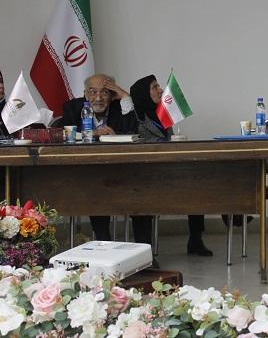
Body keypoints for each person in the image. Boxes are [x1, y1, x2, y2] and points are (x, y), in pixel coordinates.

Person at [60, 73, 150, 243]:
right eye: (93, 92)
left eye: (104, 92)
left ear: (112, 95)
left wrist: (124, 96)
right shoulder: (73, 108)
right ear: (85, 94)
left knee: (140, 194)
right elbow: (63, 134)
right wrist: (91, 133)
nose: (98, 98)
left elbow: (133, 131)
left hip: (123, 172)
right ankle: (104, 243)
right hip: (87, 174)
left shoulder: (118, 108)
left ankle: (145, 248)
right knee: (96, 192)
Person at [129, 74, 213, 256]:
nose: (161, 90)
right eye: (155, 87)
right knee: (141, 198)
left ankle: (195, 240)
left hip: (169, 172)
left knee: (198, 186)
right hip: (145, 176)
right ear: (143, 93)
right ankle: (145, 253)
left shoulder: (162, 114)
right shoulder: (133, 117)